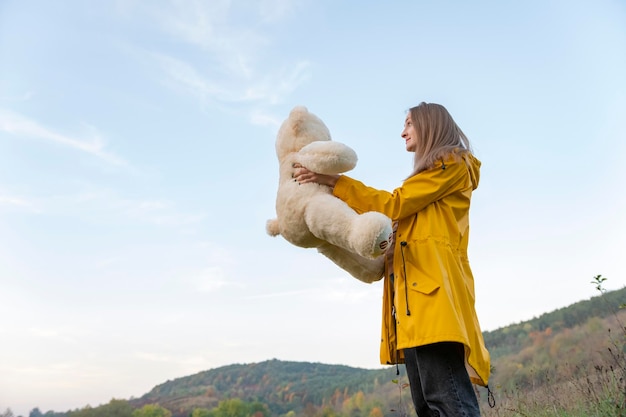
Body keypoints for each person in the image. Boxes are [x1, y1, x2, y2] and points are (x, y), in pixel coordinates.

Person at [294, 102, 491, 417]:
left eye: (410, 123)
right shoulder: (429, 180)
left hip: (433, 303)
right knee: (427, 406)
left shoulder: (453, 165)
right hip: (412, 306)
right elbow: (393, 221)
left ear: (430, 126)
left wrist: (336, 182)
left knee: (450, 403)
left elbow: (393, 204)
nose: (403, 132)